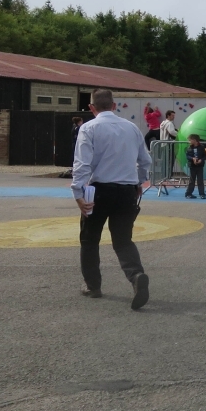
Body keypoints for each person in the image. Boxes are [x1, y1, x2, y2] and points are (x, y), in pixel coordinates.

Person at [71, 88, 152, 310]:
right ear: (114, 106)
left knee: (90, 240)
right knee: (123, 239)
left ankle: (93, 286)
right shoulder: (132, 128)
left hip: (98, 191)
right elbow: (145, 161)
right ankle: (136, 276)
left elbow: (82, 164)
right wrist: (138, 183)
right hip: (126, 191)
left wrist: (78, 193)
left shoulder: (88, 128)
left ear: (91, 107)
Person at [184, 134, 206, 199]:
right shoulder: (189, 148)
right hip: (192, 166)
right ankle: (188, 193)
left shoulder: (201, 147)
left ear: (194, 140)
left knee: (200, 180)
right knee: (192, 180)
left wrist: (201, 160)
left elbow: (205, 156)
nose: (189, 141)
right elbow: (187, 156)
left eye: (190, 140)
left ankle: (202, 194)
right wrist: (192, 159)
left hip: (200, 166)